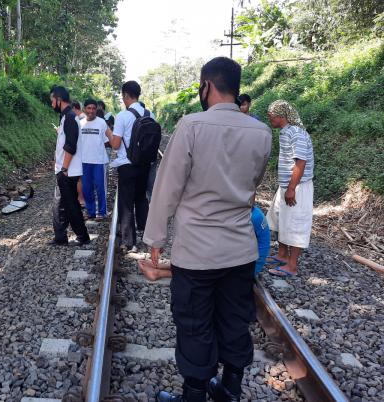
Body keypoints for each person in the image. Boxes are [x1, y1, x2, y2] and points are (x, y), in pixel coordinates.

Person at [143, 57, 272, 402]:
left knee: (195, 324)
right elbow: (253, 186)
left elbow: (167, 188)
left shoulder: (192, 125)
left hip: (197, 253)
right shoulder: (261, 132)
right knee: (233, 320)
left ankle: (195, 395)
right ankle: (229, 390)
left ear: (207, 85)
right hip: (240, 250)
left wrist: (155, 238)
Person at [138, 206, 271, 281]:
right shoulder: (247, 212)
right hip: (244, 261)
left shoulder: (246, 217)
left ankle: (160, 273)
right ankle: (164, 265)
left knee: (206, 265)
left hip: (247, 267)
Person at [265, 100, 314, 278]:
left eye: (271, 116)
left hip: (298, 186)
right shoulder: (286, 132)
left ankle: (292, 266)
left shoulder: (296, 133)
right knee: (281, 220)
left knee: (296, 223)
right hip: (287, 185)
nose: (270, 119)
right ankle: (282, 255)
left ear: (281, 116)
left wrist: (292, 188)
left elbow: (301, 162)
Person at [110, 81, 154, 252]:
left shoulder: (122, 116)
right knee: (141, 198)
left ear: (126, 95)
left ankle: (129, 242)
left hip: (127, 165)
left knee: (126, 202)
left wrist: (110, 134)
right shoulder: (150, 114)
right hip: (144, 165)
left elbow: (115, 144)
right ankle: (147, 235)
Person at [49, 86, 90, 247]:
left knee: (70, 205)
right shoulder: (65, 118)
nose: (52, 104)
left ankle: (82, 236)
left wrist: (64, 169)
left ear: (59, 99)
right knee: (59, 204)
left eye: (52, 100)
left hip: (68, 171)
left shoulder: (70, 118)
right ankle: (60, 237)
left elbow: (70, 146)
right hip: (64, 170)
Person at [80, 99, 113, 219]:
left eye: (93, 108)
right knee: (86, 188)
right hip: (84, 161)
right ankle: (90, 211)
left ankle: (102, 211)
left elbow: (107, 141)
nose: (91, 111)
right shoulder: (80, 123)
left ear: (96, 110)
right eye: (89, 108)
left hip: (99, 161)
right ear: (84, 109)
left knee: (100, 187)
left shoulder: (101, 123)